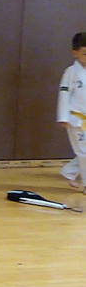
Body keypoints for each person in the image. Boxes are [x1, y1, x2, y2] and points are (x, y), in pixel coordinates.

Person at [57, 32, 86, 192]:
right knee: (84, 152)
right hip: (76, 119)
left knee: (84, 152)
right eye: (85, 54)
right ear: (75, 53)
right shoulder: (71, 72)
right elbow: (64, 94)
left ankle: (69, 171)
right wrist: (63, 117)